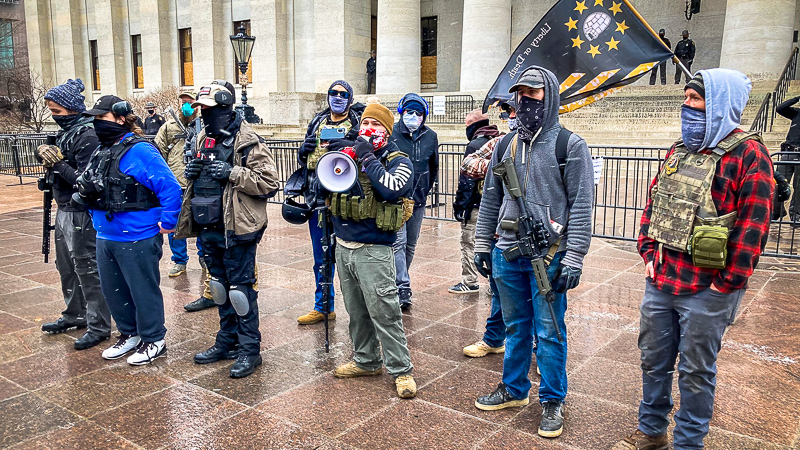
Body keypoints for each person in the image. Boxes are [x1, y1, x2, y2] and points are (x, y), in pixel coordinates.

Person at [614, 70, 774, 450]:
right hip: (662, 279)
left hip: (708, 291)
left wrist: (724, 285)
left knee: (696, 371)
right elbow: (653, 208)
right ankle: (652, 431)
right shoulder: (678, 150)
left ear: (720, 104)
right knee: (653, 360)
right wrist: (648, 253)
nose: (686, 105)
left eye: (695, 99)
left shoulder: (750, 155)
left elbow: (754, 227)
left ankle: (689, 443)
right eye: (685, 98)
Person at [472, 66, 594, 439]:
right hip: (508, 251)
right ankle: (513, 388)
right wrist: (481, 243)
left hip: (549, 254)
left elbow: (582, 205)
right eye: (520, 94)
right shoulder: (506, 145)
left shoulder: (569, 146)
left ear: (550, 96)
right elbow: (491, 199)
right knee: (515, 326)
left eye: (534, 94)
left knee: (550, 330)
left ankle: (553, 399)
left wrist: (574, 256)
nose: (525, 101)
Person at [176, 82, 279, 379]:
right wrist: (192, 173)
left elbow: (269, 182)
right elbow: (198, 178)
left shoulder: (248, 140)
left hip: (238, 228)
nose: (203, 116)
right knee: (219, 289)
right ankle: (227, 340)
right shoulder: (200, 139)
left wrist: (232, 172)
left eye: (208, 110)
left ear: (225, 108)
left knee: (240, 291)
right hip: (207, 224)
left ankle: (250, 350)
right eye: (200, 110)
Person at [76, 95, 182, 365]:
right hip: (105, 234)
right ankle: (129, 334)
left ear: (121, 118)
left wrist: (168, 222)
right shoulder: (102, 150)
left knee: (142, 290)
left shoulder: (140, 150)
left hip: (138, 235)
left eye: (103, 118)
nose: (97, 123)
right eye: (95, 119)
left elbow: (169, 187)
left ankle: (154, 338)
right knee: (114, 291)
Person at [321, 103, 417, 398]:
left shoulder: (398, 160)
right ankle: (366, 360)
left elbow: (390, 189)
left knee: (384, 312)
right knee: (357, 311)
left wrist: (365, 155)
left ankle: (402, 370)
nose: (368, 129)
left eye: (375, 124)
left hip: (374, 250)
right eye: (365, 123)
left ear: (387, 131)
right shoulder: (347, 154)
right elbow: (325, 187)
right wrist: (330, 154)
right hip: (344, 246)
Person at [36, 78, 111, 350]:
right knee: (66, 268)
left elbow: (84, 180)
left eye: (57, 112)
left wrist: (57, 163)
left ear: (71, 109)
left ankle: (98, 324)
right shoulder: (67, 134)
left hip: (81, 211)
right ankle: (74, 313)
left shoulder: (87, 135)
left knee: (87, 269)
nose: (54, 117)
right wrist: (47, 165)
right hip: (63, 209)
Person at [293, 80, 362, 325]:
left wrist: (351, 144)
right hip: (317, 201)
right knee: (321, 258)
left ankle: (360, 311)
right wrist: (303, 150)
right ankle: (323, 306)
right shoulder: (317, 122)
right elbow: (306, 161)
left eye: (343, 94)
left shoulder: (357, 123)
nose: (338, 97)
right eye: (333, 93)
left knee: (351, 259)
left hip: (347, 202)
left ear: (350, 99)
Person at [389, 93, 439, 309]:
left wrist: (425, 190)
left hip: (418, 199)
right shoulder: (392, 134)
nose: (413, 116)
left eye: (418, 113)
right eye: (409, 112)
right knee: (398, 243)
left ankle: (401, 280)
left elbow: (434, 167)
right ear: (401, 112)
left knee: (410, 245)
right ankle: (402, 286)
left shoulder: (430, 136)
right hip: (397, 198)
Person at [449, 108, 501, 294]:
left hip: (477, 204)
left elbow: (467, 181)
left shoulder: (475, 145)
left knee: (469, 243)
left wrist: (460, 205)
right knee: (494, 244)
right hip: (497, 205)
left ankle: (469, 280)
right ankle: (495, 284)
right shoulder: (499, 140)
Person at [154, 89, 201, 278]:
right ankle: (180, 260)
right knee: (175, 225)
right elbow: (159, 152)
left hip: (197, 183)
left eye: (189, 101)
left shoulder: (203, 125)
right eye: (183, 102)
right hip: (176, 183)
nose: (186, 105)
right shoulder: (168, 126)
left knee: (203, 222)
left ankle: (205, 257)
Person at [774, 95, 800, 225]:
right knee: (779, 183)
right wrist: (797, 98)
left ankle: (796, 215)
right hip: (789, 152)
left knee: (799, 187)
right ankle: (776, 212)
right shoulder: (796, 113)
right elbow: (780, 108)